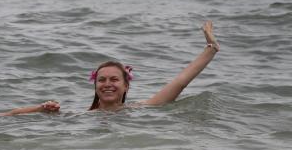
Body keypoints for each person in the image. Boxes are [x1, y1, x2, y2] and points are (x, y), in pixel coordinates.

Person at [88, 21, 220, 111]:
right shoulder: (84, 117)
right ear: (95, 86)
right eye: (101, 80)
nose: (107, 84)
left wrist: (211, 48)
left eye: (114, 79)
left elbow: (180, 83)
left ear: (126, 86)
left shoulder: (139, 109)